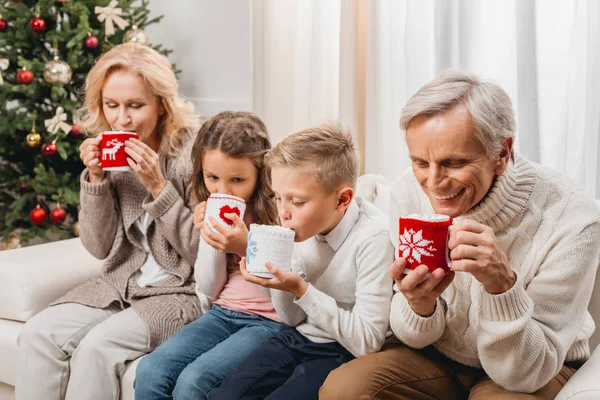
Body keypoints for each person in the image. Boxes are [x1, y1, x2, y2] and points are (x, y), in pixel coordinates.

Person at [319, 71, 600, 399]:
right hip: (441, 356)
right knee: (344, 389)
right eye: (420, 162)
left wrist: (501, 286)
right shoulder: (407, 193)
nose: (434, 182)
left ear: (502, 153)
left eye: (454, 162)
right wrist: (419, 305)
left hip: (533, 368)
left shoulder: (573, 218)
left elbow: (526, 373)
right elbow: (413, 335)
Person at [16, 43, 201, 400]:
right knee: (38, 334)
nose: (122, 120)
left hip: (180, 291)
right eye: (111, 105)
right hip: (119, 283)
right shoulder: (111, 152)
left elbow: (204, 253)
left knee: (97, 348)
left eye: (135, 106)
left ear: (162, 104)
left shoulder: (194, 153)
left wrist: (157, 186)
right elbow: (99, 248)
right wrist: (96, 180)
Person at [208, 122, 394, 399]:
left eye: (297, 201)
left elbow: (367, 341)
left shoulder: (375, 237)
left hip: (344, 349)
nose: (283, 213)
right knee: (223, 395)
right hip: (298, 336)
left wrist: (302, 290)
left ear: (342, 199)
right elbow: (292, 318)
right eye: (277, 197)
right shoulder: (297, 228)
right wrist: (277, 281)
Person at [134, 111, 281, 400]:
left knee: (194, 382)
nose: (222, 190)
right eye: (212, 177)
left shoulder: (279, 207)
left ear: (261, 172)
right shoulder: (210, 202)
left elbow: (286, 293)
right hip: (222, 311)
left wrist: (244, 246)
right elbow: (209, 289)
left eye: (237, 180)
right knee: (150, 369)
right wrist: (210, 239)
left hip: (268, 320)